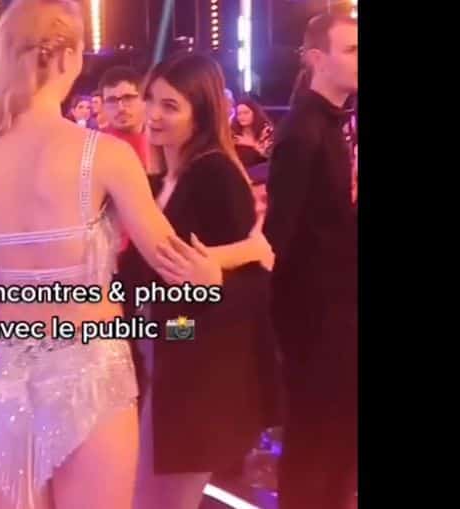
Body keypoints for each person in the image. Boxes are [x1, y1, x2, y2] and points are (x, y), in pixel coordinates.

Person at [0, 1, 209, 506]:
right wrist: (228, 262)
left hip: (8, 377)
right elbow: (175, 264)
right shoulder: (103, 154)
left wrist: (0, 375)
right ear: (66, 57)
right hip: (91, 374)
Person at [117, 51, 274, 509]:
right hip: (163, 352)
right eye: (151, 100)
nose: (153, 114)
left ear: (200, 113)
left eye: (170, 105)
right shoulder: (162, 177)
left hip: (196, 368)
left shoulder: (215, 175)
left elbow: (253, 286)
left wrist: (216, 276)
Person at [263, 13, 358, 509]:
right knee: (315, 441)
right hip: (315, 318)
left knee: (339, 439)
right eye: (351, 50)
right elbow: (281, 235)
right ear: (318, 59)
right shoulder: (303, 132)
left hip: (338, 310)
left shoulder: (330, 124)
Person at [98, 66, 148, 169]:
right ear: (103, 106)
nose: (120, 108)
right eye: (112, 100)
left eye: (128, 98)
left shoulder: (162, 143)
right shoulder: (95, 146)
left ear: (144, 99)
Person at [231, 98, 274, 168]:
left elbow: (270, 156)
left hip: (261, 169)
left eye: (246, 113)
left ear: (255, 113)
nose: (242, 117)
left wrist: (252, 144)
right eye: (239, 114)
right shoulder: (233, 133)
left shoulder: (266, 131)